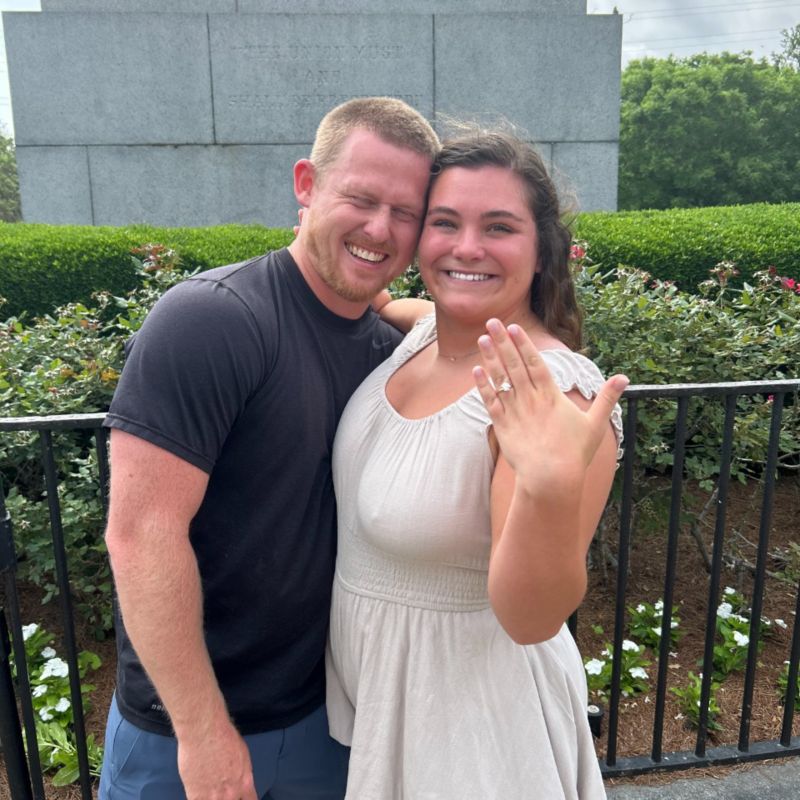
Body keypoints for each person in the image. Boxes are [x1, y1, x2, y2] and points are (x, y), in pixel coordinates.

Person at [98, 97, 439, 800]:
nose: (380, 228)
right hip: (182, 734)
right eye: (361, 199)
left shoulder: (390, 354)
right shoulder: (213, 319)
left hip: (325, 722)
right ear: (306, 185)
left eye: (405, 212)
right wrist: (203, 733)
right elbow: (141, 534)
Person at [325, 130, 628, 799]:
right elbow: (384, 301)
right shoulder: (426, 334)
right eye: (444, 223)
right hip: (389, 710)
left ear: (542, 251)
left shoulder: (552, 397)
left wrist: (549, 488)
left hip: (479, 736)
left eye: (499, 227)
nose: (466, 247)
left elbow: (530, 618)